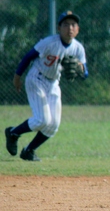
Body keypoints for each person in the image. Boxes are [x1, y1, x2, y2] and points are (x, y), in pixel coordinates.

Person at [5, 10, 88, 161]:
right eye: (66, 24)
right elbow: (28, 57)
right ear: (59, 28)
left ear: (78, 29)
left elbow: (85, 73)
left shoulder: (78, 48)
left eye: (73, 25)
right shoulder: (49, 43)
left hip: (53, 83)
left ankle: (28, 151)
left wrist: (80, 68)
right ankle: (13, 133)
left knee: (53, 125)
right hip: (37, 78)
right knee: (42, 120)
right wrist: (17, 77)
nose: (69, 28)